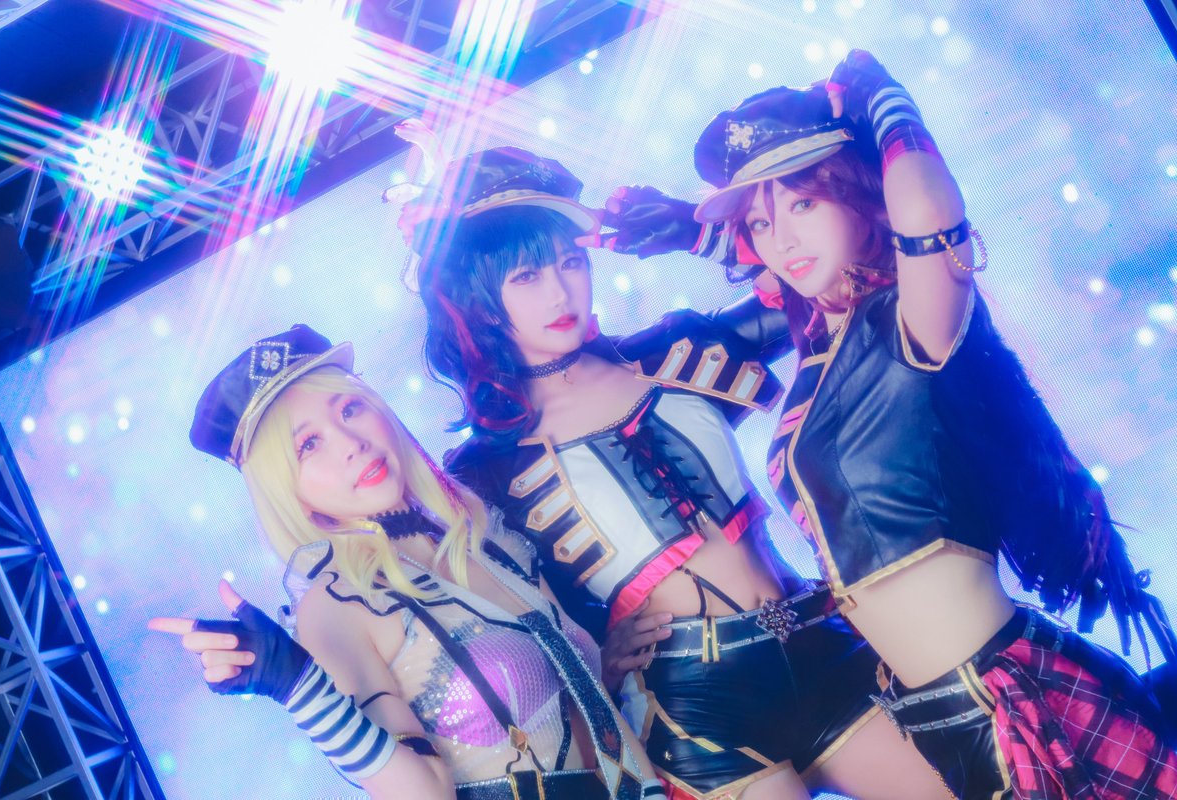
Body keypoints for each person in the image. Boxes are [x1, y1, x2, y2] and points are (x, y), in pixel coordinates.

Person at [600, 49, 1177, 799]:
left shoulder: (910, 316)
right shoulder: (823, 341)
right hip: (934, 723)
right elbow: (782, 271)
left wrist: (886, 104)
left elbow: (928, 218)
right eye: (762, 222)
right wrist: (696, 231)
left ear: (853, 191)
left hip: (1013, 701)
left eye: (804, 204)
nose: (780, 239)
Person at [404, 146, 949, 799]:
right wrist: (595, 656)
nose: (559, 292)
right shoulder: (486, 470)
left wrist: (700, 234)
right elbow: (504, 627)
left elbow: (833, 288)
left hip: (817, 634)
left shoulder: (674, 355)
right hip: (691, 704)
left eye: (571, 263)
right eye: (526, 277)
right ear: (479, 301)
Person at [150, 324, 660, 799]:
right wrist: (300, 689)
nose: (352, 444)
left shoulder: (478, 533)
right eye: (308, 444)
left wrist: (604, 664)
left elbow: (582, 714)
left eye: (349, 409)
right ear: (285, 488)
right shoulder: (332, 605)